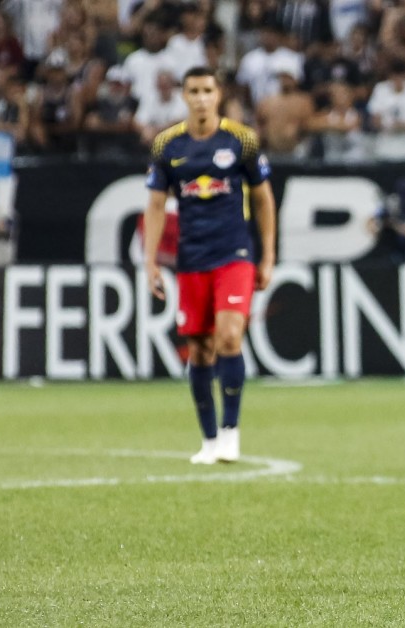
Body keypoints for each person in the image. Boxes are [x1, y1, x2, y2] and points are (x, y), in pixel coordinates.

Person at [143, 66, 276, 465]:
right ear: (184, 96)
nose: (201, 98)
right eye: (193, 91)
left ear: (218, 95)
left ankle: (232, 433)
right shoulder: (167, 145)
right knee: (199, 351)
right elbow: (154, 205)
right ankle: (209, 439)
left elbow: (264, 199)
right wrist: (150, 262)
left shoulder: (242, 140)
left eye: (207, 90)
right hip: (191, 258)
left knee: (230, 337)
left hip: (234, 253)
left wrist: (267, 255)